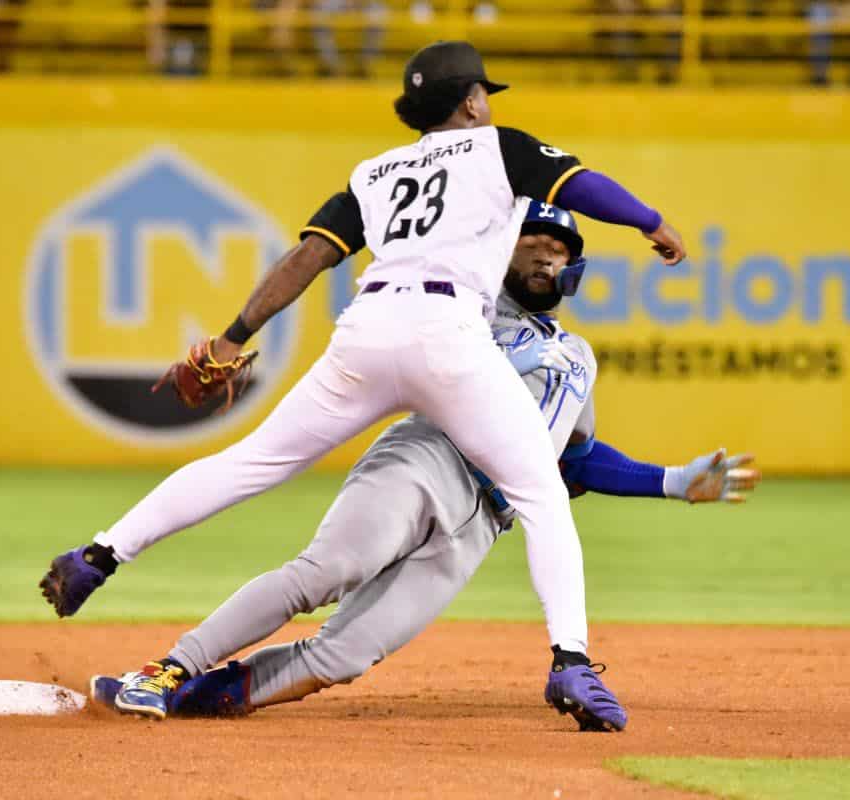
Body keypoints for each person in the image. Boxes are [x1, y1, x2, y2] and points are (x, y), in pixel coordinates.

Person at [39, 40, 687, 721]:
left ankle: (102, 554)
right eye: (483, 94)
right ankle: (570, 661)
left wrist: (233, 337)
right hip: (447, 333)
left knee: (253, 461)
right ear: (470, 100)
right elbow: (583, 186)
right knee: (540, 496)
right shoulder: (498, 145)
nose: (487, 103)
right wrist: (650, 221)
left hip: (369, 326)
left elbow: (309, 257)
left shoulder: (375, 171)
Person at [86, 203, 757, 730]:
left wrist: (671, 482)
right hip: (425, 461)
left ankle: (211, 693)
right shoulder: (460, 308)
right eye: (533, 243)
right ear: (500, 251)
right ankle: (168, 669)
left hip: (482, 524)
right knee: (326, 572)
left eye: (559, 250)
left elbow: (572, 460)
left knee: (344, 656)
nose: (547, 256)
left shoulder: (577, 356)